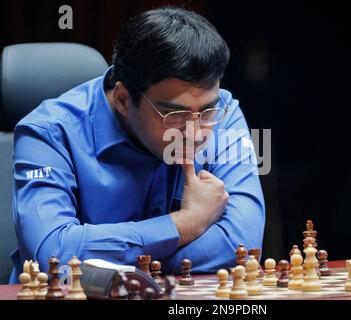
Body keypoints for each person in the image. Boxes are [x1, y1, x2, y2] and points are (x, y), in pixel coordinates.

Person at [10, 6, 265, 283]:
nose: (195, 132)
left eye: (207, 111)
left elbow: (243, 247)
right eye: (174, 114)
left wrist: (113, 262)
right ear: (123, 100)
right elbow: (54, 255)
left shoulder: (224, 114)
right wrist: (187, 223)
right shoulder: (47, 133)